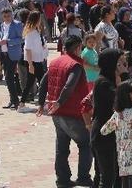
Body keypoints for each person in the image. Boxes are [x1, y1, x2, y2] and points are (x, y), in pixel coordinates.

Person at [36, 34, 94, 188]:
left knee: (61, 147)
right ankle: (83, 177)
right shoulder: (75, 64)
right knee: (85, 144)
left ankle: (62, 179)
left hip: (56, 113)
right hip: (73, 112)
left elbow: (43, 83)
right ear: (77, 48)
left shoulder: (55, 62)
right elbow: (70, 85)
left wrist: (42, 103)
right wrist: (60, 102)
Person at [89, 48, 128, 188]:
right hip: (103, 134)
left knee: (115, 175)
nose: (123, 65)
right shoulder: (103, 82)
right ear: (111, 64)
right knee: (106, 177)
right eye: (119, 62)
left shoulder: (110, 80)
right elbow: (123, 100)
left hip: (112, 133)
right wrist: (124, 76)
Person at [20, 11, 48, 112]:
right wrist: (30, 65)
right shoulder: (30, 33)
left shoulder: (36, 31)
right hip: (34, 62)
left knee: (31, 82)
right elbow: (27, 49)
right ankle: (43, 103)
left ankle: (22, 103)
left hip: (38, 60)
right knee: (43, 82)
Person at [0, 8, 24, 110]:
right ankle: (12, 100)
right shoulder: (2, 25)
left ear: (12, 15)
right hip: (4, 52)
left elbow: (21, 39)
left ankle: (15, 100)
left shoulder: (17, 24)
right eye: (5, 16)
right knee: (8, 77)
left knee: (9, 77)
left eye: (9, 16)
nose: (7, 18)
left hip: (13, 53)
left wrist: (8, 41)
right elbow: (1, 35)